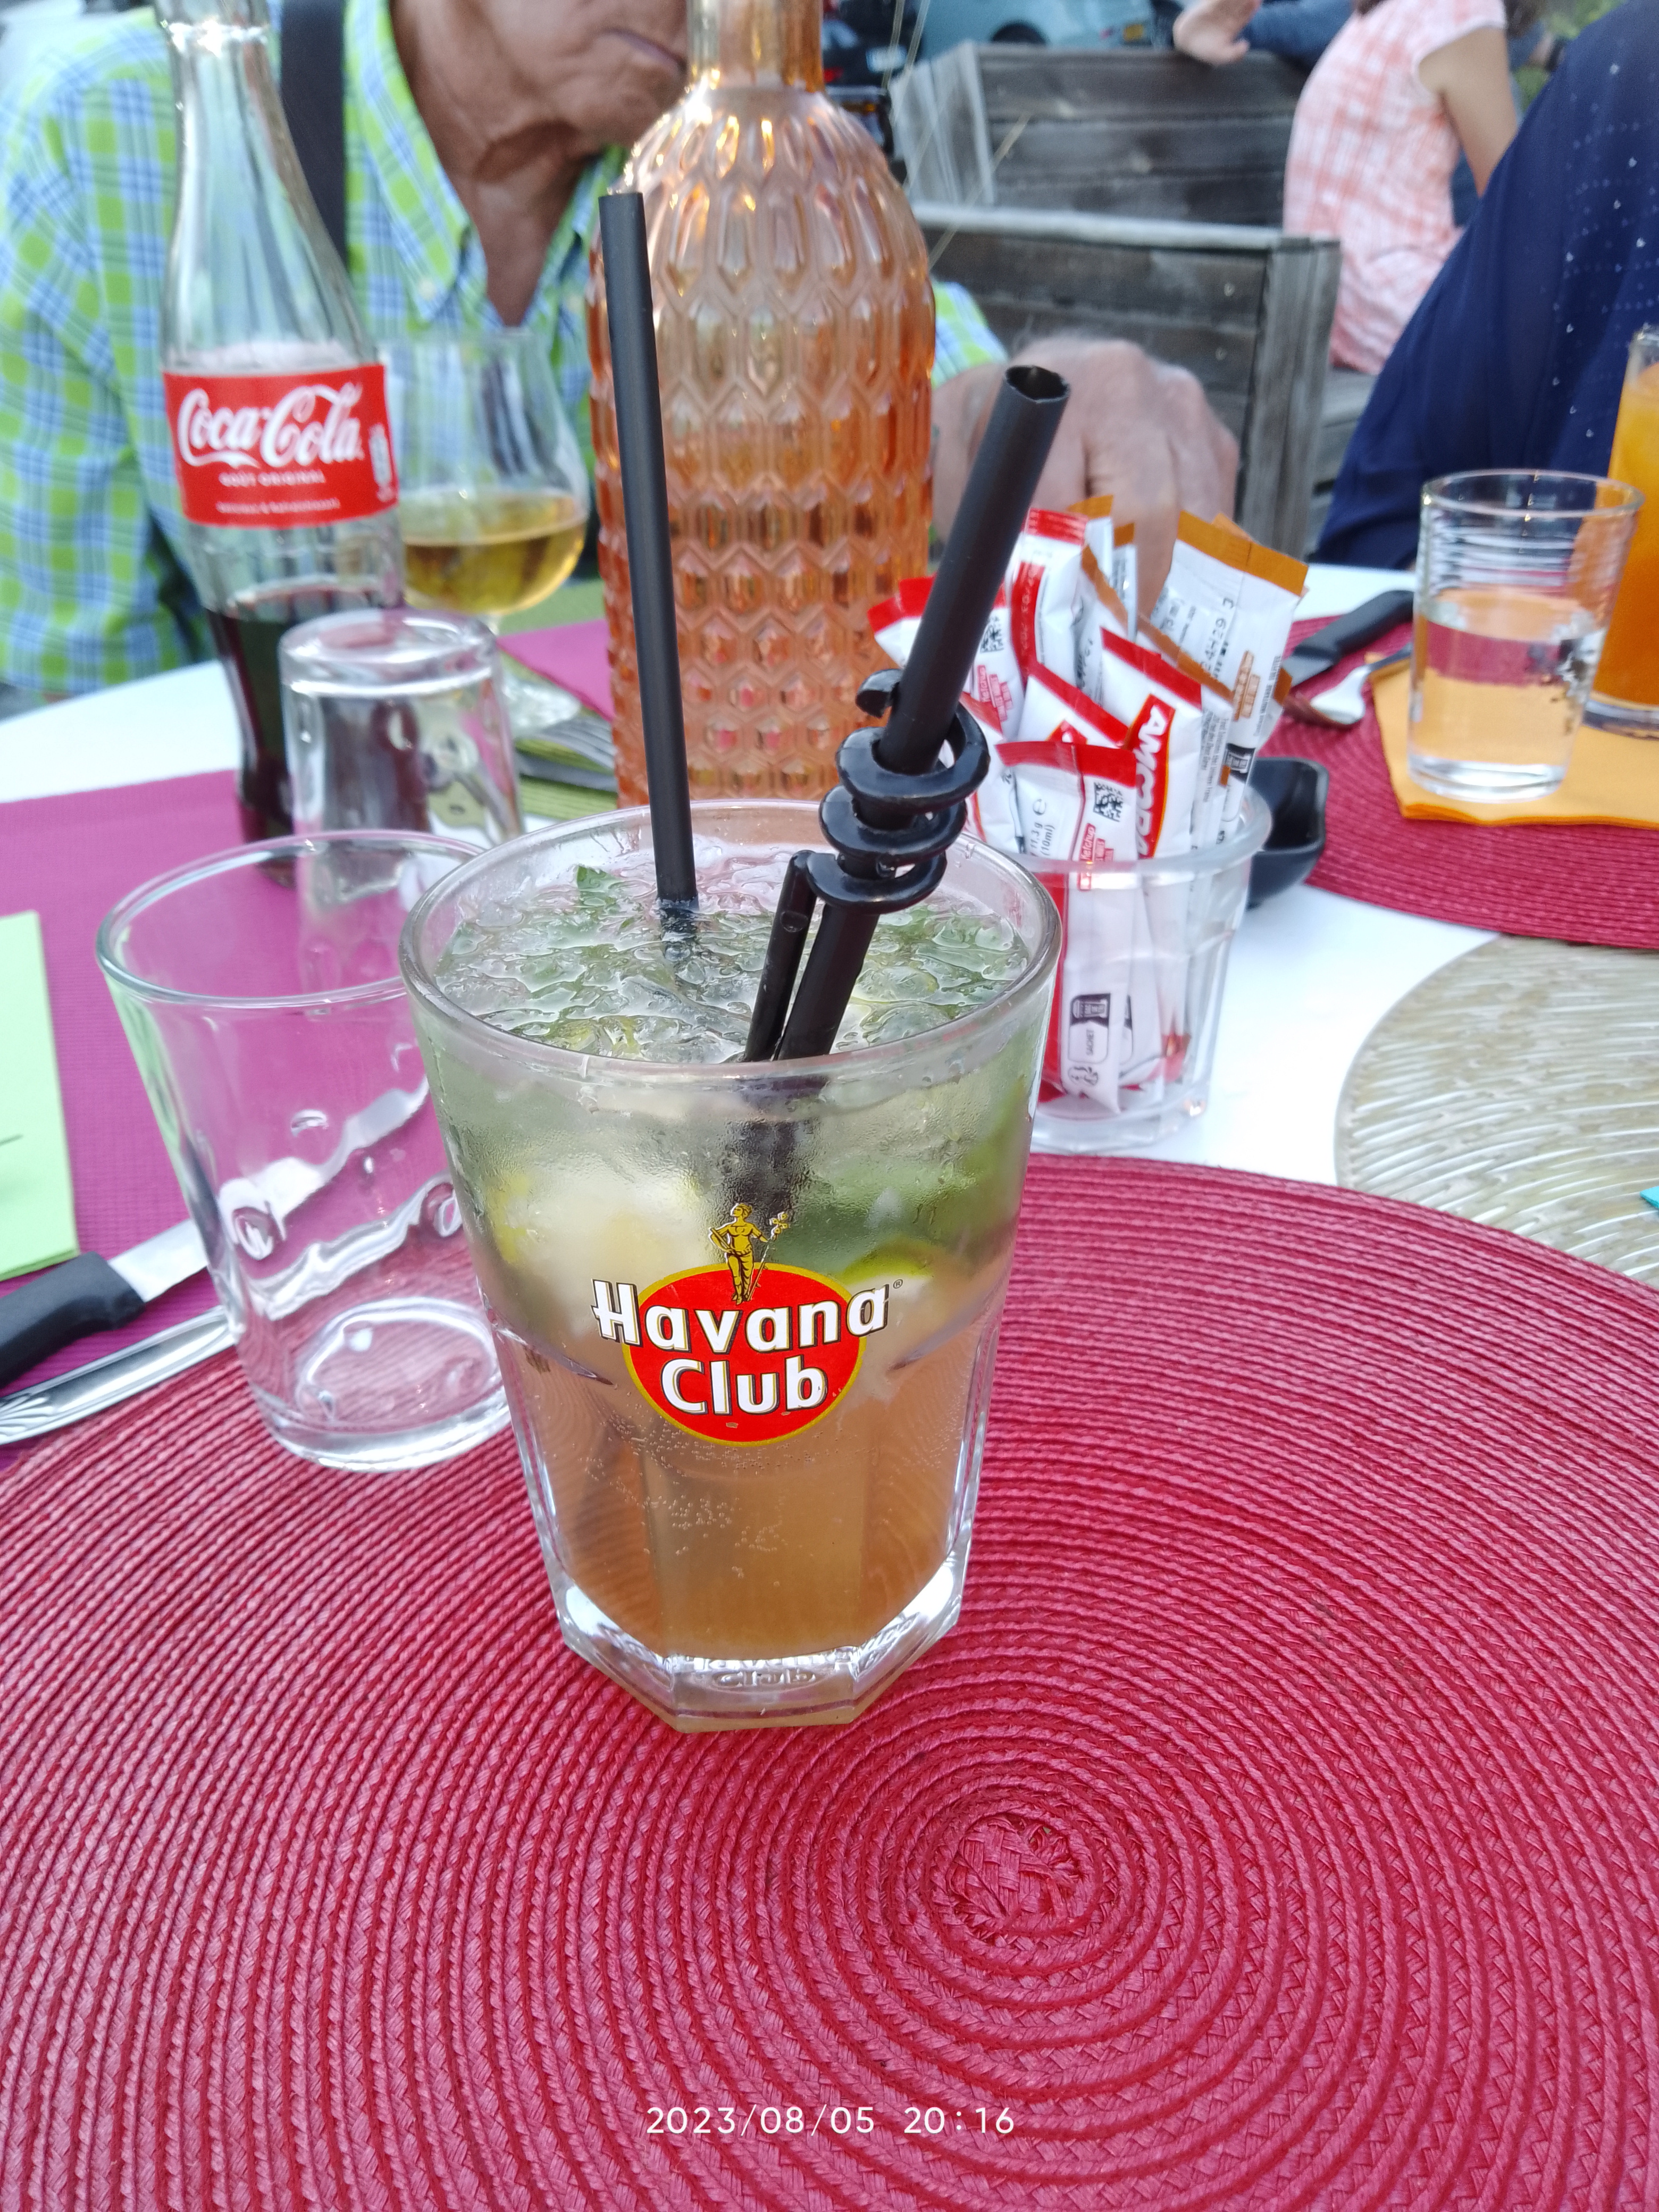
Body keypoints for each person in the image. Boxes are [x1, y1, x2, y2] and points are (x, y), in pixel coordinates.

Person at [0, 0, 1237, 711]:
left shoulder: (731, 174)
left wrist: (1042, 406)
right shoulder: (120, 134)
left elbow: (939, 414)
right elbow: (69, 707)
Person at [1320, 0, 1659, 569]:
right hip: (1384, 299)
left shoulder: (1385, 16)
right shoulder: (1470, 17)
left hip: (1342, 302)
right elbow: (1499, 169)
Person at [1281, 0, 1524, 374]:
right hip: (1391, 308)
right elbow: (1517, 205)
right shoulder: (1465, 12)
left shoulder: (1389, 10)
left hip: (1329, 301)